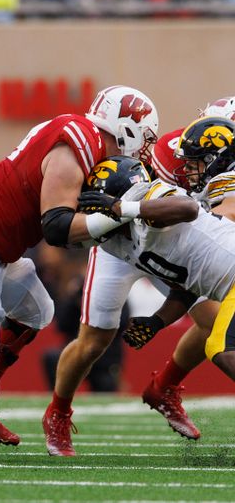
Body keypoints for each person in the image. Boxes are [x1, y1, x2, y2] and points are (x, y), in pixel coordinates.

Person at [0, 85, 159, 462]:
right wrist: (120, 214)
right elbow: (55, 227)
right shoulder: (79, 142)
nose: (143, 149)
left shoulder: (83, 139)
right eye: (143, 138)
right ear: (127, 128)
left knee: (37, 311)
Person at [41, 102, 235, 456]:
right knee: (93, 341)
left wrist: (160, 320)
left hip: (172, 243)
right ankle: (58, 411)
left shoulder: (219, 171)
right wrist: (116, 210)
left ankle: (165, 387)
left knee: (214, 324)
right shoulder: (176, 149)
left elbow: (198, 228)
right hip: (133, 234)